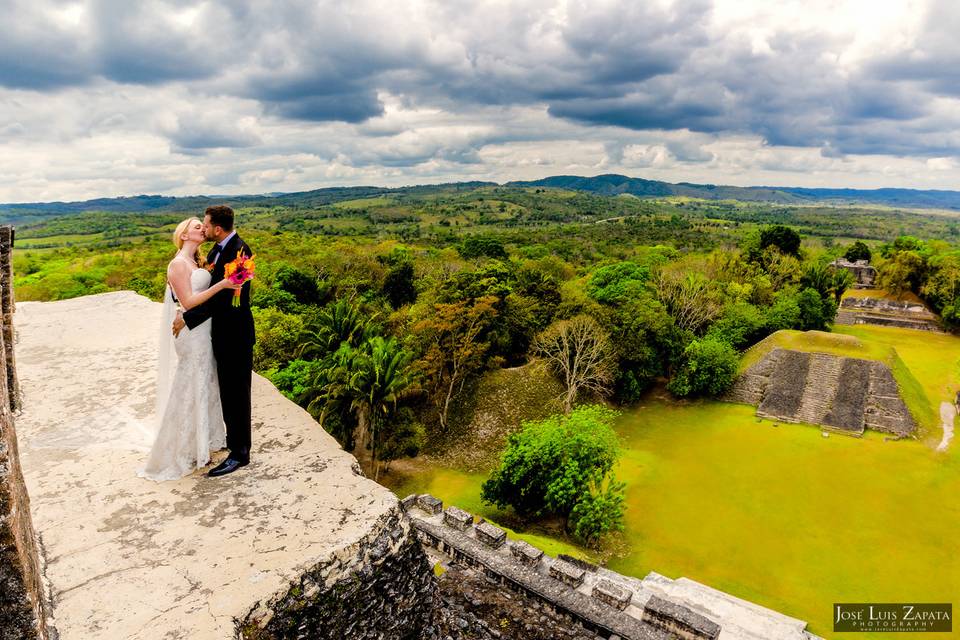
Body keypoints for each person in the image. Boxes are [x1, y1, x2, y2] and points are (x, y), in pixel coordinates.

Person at [139, 218, 241, 481]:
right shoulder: (177, 264)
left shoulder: (198, 261)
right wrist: (223, 284)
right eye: (196, 226)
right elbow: (188, 301)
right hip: (192, 334)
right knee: (191, 382)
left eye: (202, 225)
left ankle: (203, 440)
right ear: (183, 235)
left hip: (205, 329)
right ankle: (184, 447)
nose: (201, 229)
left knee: (205, 381)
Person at [173, 205, 256, 477]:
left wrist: (188, 318)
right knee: (225, 393)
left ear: (217, 229)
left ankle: (240, 453)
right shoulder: (213, 252)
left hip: (236, 334)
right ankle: (229, 442)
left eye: (206, 225)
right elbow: (203, 290)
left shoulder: (242, 253)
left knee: (237, 393)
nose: (204, 229)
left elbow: (225, 299)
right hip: (216, 334)